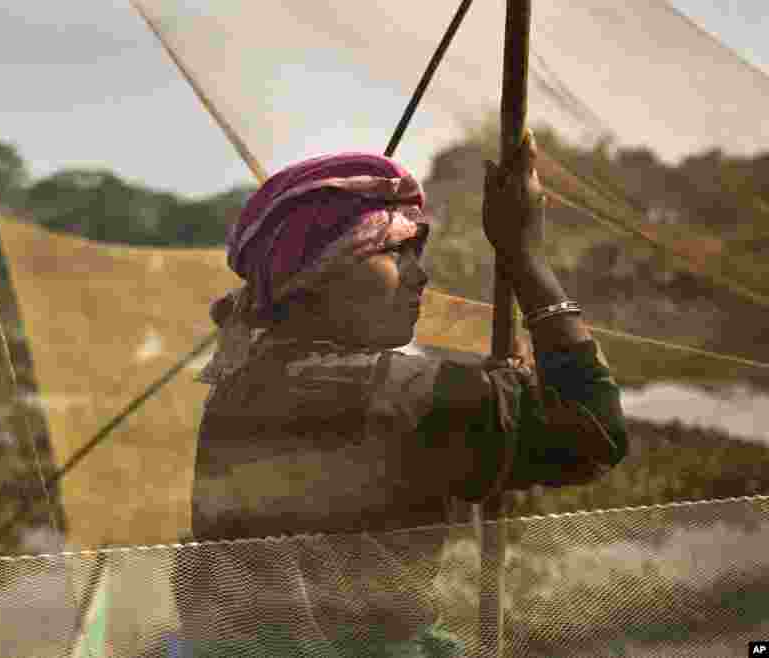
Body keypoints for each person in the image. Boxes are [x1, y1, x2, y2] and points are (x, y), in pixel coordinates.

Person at [171, 132, 629, 653]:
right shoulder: (393, 395)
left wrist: (498, 387)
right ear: (315, 278)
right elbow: (595, 435)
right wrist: (526, 260)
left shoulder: (245, 379)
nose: (421, 275)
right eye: (396, 251)